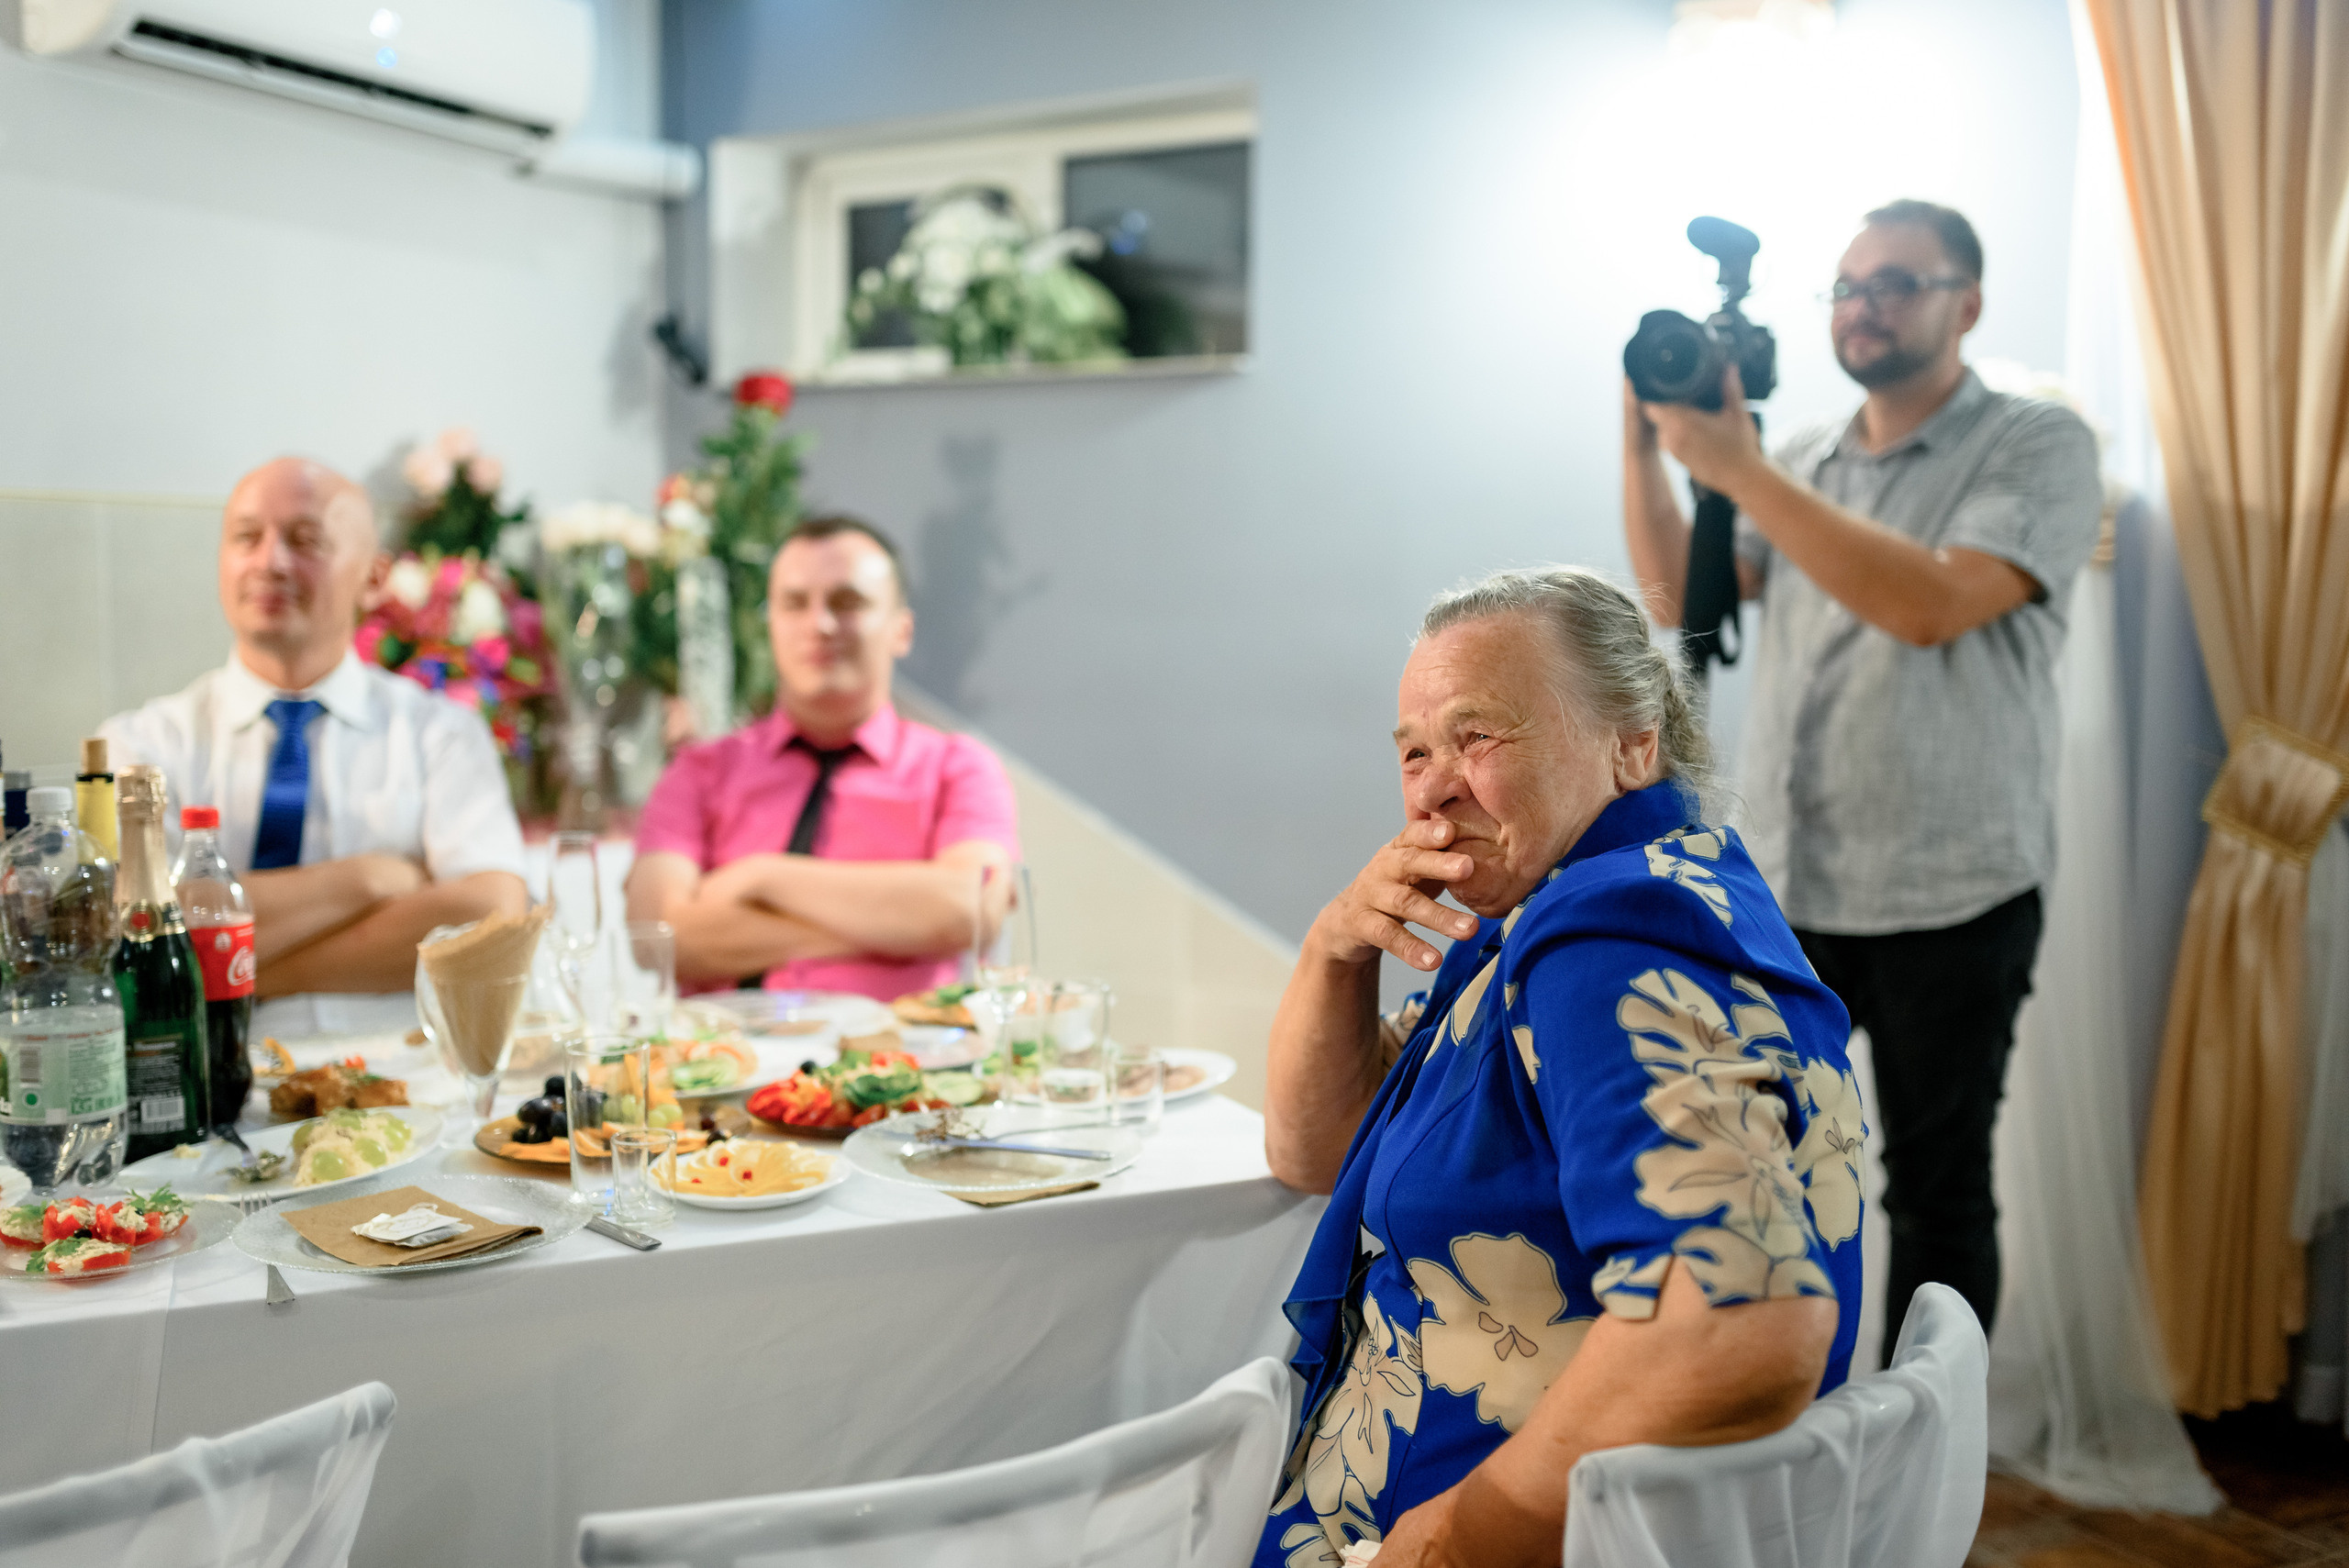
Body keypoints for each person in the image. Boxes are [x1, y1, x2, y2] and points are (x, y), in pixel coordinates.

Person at [1257, 568, 1864, 1567]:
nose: (1433, 783)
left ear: (1633, 744)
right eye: (1413, 750)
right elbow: (1319, 1149)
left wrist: (1458, 1539)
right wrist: (1336, 945)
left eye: (1476, 734)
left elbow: (1741, 1319)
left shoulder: (1603, 938)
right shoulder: (1609, 897)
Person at [1623, 199, 2102, 1366]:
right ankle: (1792, 1421)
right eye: (1844, 286)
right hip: (1791, 879)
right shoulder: (1799, 462)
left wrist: (1734, 466)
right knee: (1772, 1176)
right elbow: (1685, 604)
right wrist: (1648, 441)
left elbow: (1927, 604)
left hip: (1955, 887)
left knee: (1936, 1189)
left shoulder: (2034, 443)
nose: (1863, 306)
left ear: (1966, 303)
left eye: (1896, 282)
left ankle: (1925, 1456)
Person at [102, 457, 529, 1038]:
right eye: (246, 538)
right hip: (202, 1083)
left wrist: (246, 968)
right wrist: (374, 880)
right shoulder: (143, 747)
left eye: (306, 541)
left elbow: (492, 915)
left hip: (404, 1081)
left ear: (374, 578)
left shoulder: (441, 734)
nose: (270, 561)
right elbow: (132, 936)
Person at [626, 515, 1019, 1003]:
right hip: (723, 1068)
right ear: (769, 625)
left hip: (900, 1066)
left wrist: (759, 877)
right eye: (794, 603)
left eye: (847, 602)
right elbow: (658, 937)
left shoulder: (958, 768)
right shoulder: (698, 771)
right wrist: (898, 928)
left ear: (902, 630)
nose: (820, 624)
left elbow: (968, 908)